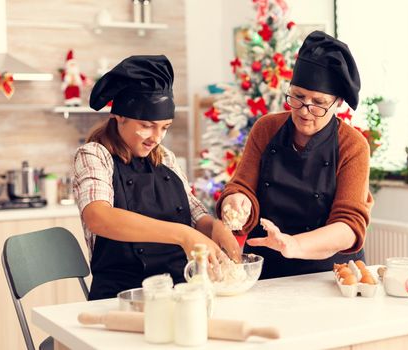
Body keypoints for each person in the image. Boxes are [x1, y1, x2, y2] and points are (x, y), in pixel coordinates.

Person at [73, 55, 240, 300]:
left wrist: (215, 227)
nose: (156, 137)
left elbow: (195, 213)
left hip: (178, 291)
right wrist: (183, 235)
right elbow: (99, 217)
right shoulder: (94, 155)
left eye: (165, 127)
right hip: (122, 298)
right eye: (147, 125)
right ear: (119, 117)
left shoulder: (165, 158)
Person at [217, 31, 374, 279]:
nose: (304, 110)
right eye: (298, 97)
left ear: (338, 103)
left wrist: (294, 245)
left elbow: (349, 227)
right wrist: (236, 201)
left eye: (318, 102)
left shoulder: (352, 145)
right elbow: (242, 186)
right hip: (268, 267)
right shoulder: (266, 128)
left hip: (331, 273)